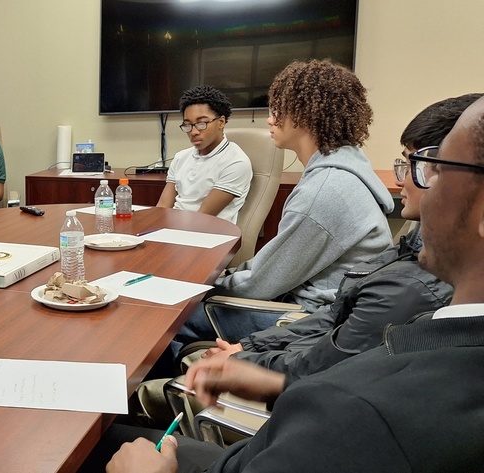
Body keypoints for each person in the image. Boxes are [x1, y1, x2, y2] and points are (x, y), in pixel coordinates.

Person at [102, 94, 484, 473]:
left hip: (284, 348)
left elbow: (323, 345)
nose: (406, 184)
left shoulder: (369, 398)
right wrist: (268, 375)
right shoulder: (425, 322)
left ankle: (136, 399)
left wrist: (253, 358)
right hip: (282, 386)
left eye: (429, 168)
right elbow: (334, 330)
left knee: (168, 325)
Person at [200, 94, 478, 379]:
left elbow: (323, 358)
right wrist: (248, 348)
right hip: (311, 326)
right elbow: (336, 321)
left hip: (299, 319)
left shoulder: (327, 192)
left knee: (183, 315)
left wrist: (244, 359)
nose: (400, 180)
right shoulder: (411, 252)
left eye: (413, 166)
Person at [177, 60, 394, 347]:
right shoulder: (346, 168)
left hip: (307, 320)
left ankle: (170, 387)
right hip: (320, 306)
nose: (270, 119)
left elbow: (262, 284)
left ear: (304, 115)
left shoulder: (325, 190)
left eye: (277, 110)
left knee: (172, 317)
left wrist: (204, 286)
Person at [156, 85, 253, 224]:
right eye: (187, 125)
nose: (194, 132)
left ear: (221, 122)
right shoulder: (180, 158)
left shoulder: (236, 162)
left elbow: (202, 218)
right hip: (175, 230)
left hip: (209, 235)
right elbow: (162, 208)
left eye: (201, 123)